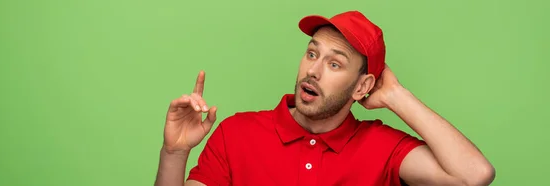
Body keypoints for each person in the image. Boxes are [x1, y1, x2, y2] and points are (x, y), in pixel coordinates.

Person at [155, 10, 495, 186]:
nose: (313, 71)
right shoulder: (236, 133)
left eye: (335, 64)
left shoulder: (384, 148)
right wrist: (175, 152)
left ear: (363, 87)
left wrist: (395, 95)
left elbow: (474, 175)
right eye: (312, 53)